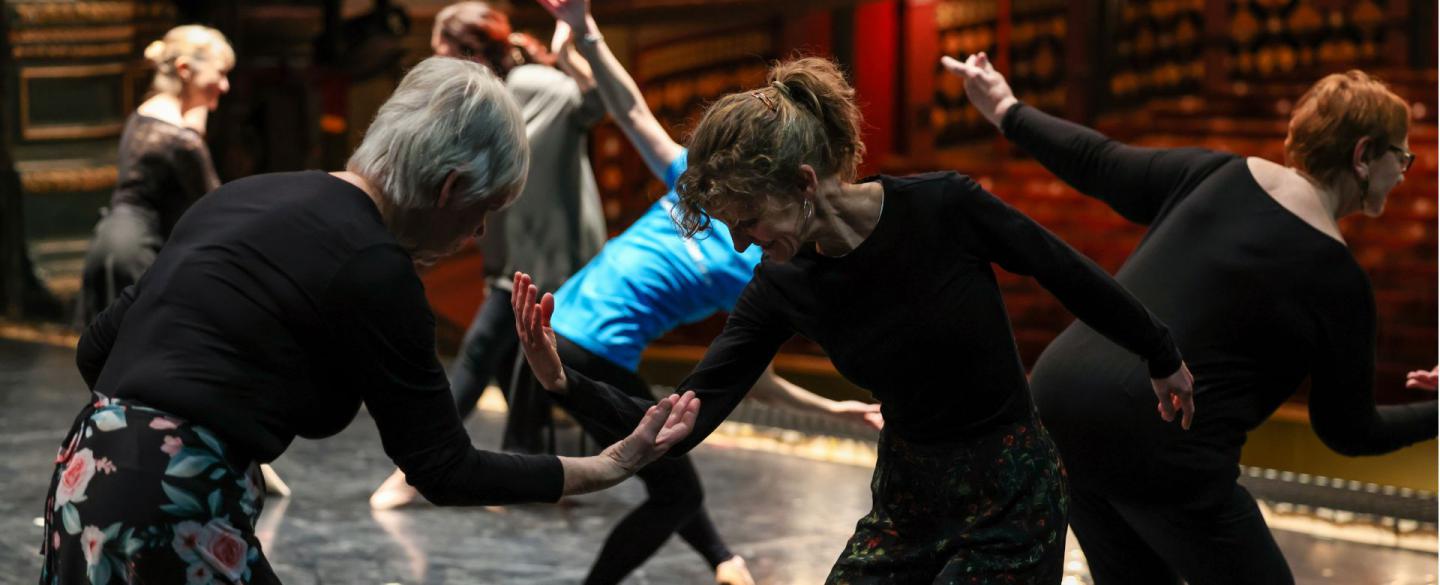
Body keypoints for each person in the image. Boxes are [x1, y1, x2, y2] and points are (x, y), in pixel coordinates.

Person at [514, 9, 1196, 579]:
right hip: (907, 494)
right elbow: (690, 413)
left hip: (1009, 486)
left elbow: (1067, 273)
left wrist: (1159, 352)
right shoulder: (780, 285)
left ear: (805, 183)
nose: (744, 244)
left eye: (750, 222)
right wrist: (563, 380)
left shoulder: (943, 207)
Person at [40, 56, 699, 584]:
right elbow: (443, 467)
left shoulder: (243, 195)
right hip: (171, 501)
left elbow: (98, 348)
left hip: (83, 479)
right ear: (448, 188)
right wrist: (606, 465)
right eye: (484, 209)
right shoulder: (377, 267)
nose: (478, 232)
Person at [373, 7, 882, 583]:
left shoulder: (764, 261)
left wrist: (833, 408)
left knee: (671, 482)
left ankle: (723, 560)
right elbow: (631, 109)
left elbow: (747, 377)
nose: (738, 230)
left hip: (584, 352)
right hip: (570, 341)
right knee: (672, 488)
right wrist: (585, 32)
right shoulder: (698, 185)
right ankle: (712, 561)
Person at [944, 55, 1439, 585]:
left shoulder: (1216, 174)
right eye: (1400, 156)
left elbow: (1099, 160)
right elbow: (1349, 430)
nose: (1403, 170)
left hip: (1058, 406)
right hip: (1158, 442)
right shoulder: (1340, 280)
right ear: (1363, 155)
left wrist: (1006, 109)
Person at [427, 0, 608, 456]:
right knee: (511, 362)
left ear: (468, 50)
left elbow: (594, 104)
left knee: (480, 350)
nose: (436, 64)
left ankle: (421, 462)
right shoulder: (482, 102)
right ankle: (531, 464)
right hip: (513, 253)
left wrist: (570, 55)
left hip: (549, 253)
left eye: (441, 51)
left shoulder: (532, 85)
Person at [77, 25, 232, 325]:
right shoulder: (181, 139)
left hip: (111, 243)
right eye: (221, 73)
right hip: (138, 253)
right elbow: (216, 207)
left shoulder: (145, 115)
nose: (225, 86)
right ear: (185, 69)